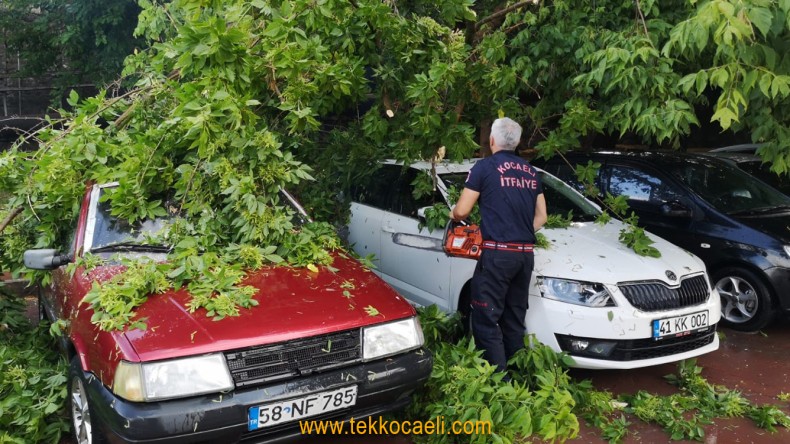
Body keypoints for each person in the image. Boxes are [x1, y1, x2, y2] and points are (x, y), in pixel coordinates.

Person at [449, 117, 547, 373]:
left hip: (497, 255)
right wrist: (519, 231)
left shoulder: (484, 167)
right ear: (517, 142)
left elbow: (463, 210)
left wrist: (454, 214)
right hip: (524, 257)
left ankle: (497, 381)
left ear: (492, 140)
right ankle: (516, 376)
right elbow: (542, 217)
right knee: (514, 319)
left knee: (485, 318)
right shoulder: (531, 171)